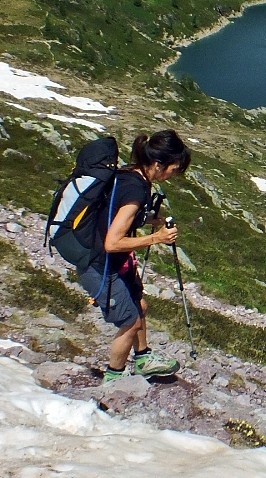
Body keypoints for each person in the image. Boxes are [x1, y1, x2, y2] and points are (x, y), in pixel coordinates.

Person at [77, 130, 191, 382]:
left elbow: (115, 215)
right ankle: (114, 379)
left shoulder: (130, 174)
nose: (173, 175)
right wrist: (156, 238)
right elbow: (112, 242)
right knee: (130, 321)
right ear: (159, 165)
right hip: (99, 264)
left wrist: (149, 219)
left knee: (140, 305)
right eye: (174, 169)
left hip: (109, 261)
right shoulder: (136, 190)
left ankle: (143, 358)